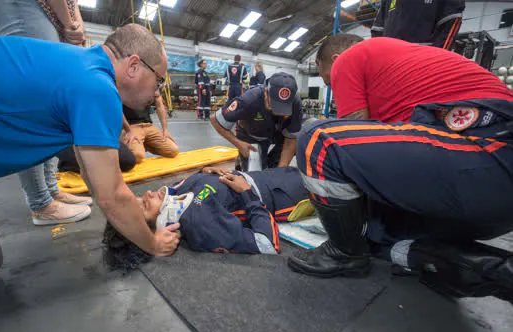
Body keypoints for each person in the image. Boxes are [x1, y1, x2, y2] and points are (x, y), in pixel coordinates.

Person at [0, 24, 181, 320]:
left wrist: (133, 208)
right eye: (158, 80)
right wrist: (153, 243)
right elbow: (111, 197)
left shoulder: (84, 67)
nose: (158, 91)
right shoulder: (97, 87)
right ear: (133, 65)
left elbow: (96, 176)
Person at [287, 34, 513, 301]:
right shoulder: (404, 67)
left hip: (491, 148)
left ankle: (345, 254)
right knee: (379, 235)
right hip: (487, 191)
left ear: (335, 61)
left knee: (319, 140)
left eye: (330, 82)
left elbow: (353, 139)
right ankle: (495, 271)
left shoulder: (349, 59)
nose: (335, 88)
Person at [0, 0, 93, 226]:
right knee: (31, 106)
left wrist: (75, 23)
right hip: (25, 7)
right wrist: (69, 23)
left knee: (48, 108)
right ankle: (40, 202)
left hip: (49, 12)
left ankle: (50, 190)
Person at [104, 166, 310, 258]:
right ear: (160, 227)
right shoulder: (198, 224)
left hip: (273, 174)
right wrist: (249, 194)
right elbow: (266, 244)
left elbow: (197, 186)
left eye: (139, 198)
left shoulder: (175, 195)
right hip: (284, 195)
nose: (148, 193)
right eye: (144, 206)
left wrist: (205, 170)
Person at [211, 72, 303, 171]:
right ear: (265, 93)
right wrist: (238, 144)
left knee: (305, 133)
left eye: (284, 108)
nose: (280, 113)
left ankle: (270, 165)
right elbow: (215, 120)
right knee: (255, 175)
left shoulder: (296, 102)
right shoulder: (249, 100)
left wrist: (281, 170)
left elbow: (291, 139)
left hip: (279, 134)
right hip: (252, 136)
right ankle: (245, 161)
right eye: (275, 106)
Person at [371, 0, 465, 49]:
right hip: (390, 60)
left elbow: (451, 23)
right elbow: (377, 29)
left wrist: (435, 58)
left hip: (422, 61)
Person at [124, 97, 179, 162]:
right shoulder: (120, 87)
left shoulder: (152, 87)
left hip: (148, 125)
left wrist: (165, 129)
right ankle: (128, 145)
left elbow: (159, 105)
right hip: (131, 126)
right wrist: (127, 130)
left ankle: (142, 144)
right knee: (137, 155)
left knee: (173, 150)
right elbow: (116, 109)